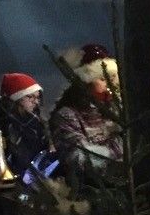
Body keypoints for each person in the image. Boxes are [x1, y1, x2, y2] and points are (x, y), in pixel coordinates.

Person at [50, 44, 123, 181]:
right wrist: (117, 150)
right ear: (86, 81)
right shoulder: (67, 115)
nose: (110, 83)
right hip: (90, 189)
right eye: (102, 79)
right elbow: (78, 160)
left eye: (112, 78)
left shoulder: (116, 110)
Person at [0, 72, 52, 176]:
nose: (36, 102)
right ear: (17, 97)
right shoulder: (3, 123)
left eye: (37, 97)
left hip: (38, 174)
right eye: (31, 97)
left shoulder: (36, 120)